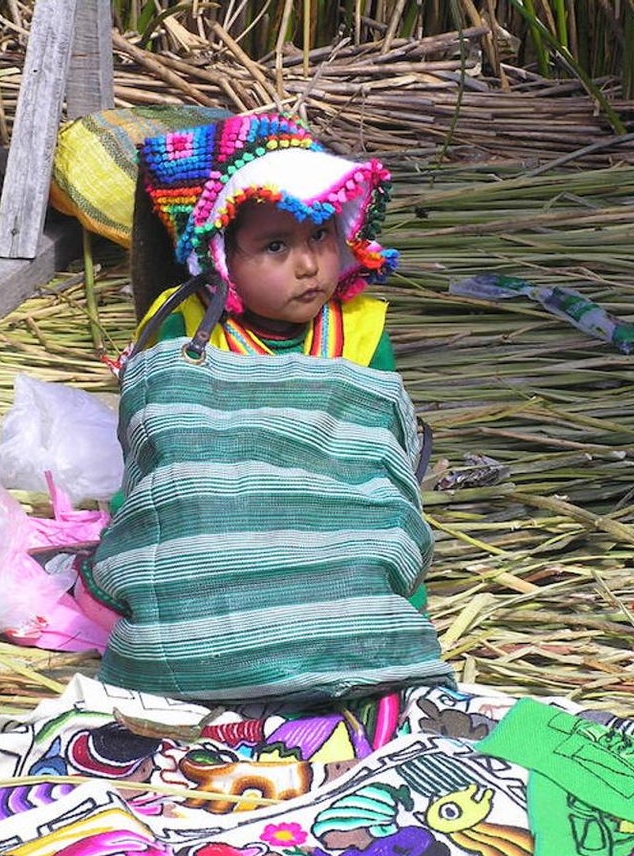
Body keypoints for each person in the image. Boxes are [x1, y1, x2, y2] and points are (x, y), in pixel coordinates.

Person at [83, 112, 453, 704]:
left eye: (319, 237)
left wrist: (403, 595)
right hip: (214, 554)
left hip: (334, 546)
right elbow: (159, 467)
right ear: (219, 261)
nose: (308, 265)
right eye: (275, 246)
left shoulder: (360, 331)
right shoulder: (182, 335)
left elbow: (379, 471)